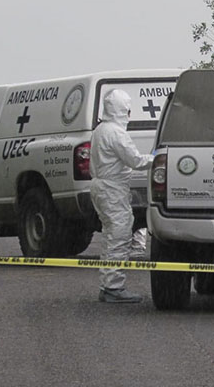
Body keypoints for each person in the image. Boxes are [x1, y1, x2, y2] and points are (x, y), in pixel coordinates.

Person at [90, 89, 153, 303]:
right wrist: (156, 158)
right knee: (119, 235)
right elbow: (135, 160)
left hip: (101, 187)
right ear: (122, 110)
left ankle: (108, 285)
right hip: (112, 188)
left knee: (110, 235)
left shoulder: (100, 130)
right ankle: (113, 288)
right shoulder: (115, 133)